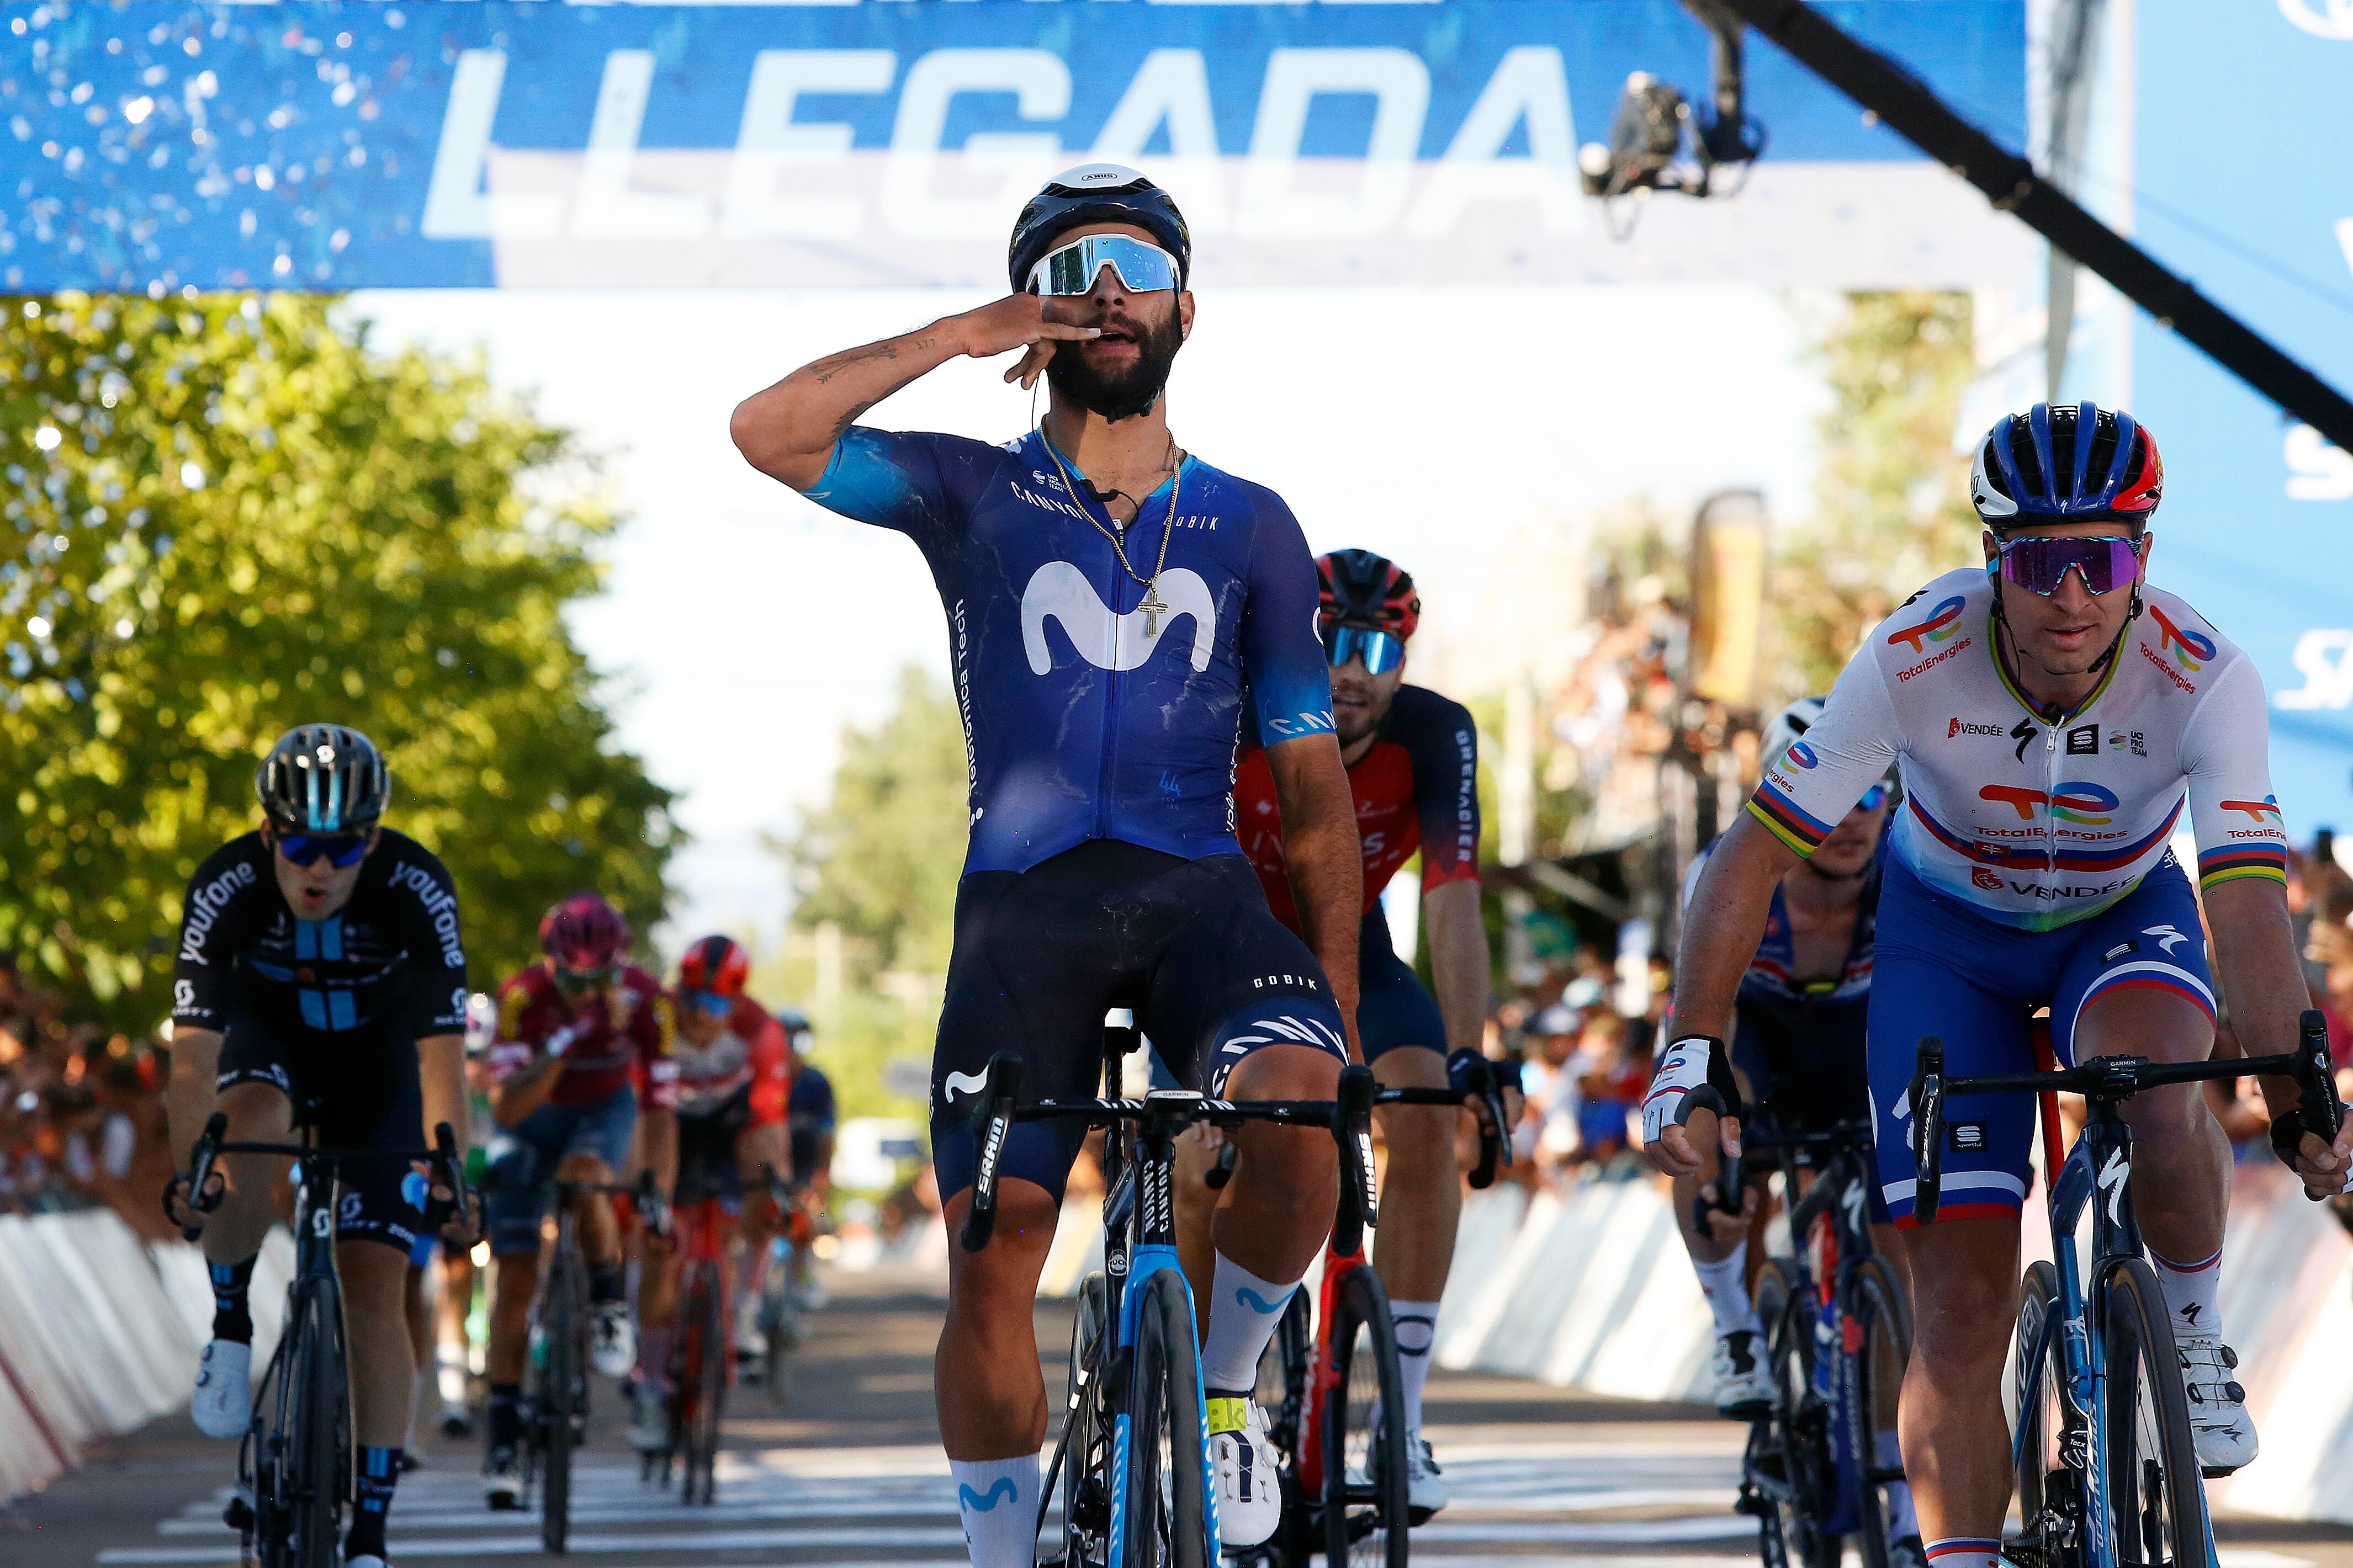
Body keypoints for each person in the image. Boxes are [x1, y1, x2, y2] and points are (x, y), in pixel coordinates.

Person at [730, 162, 1361, 1561]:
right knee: (990, 1246)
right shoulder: (967, 485)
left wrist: (1340, 1004)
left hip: (1200, 888)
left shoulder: (1252, 520)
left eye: (1133, 269)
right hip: (1026, 907)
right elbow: (766, 429)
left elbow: (1310, 786)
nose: (1106, 298)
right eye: (1072, 274)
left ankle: (1219, 1389)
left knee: (1303, 1104)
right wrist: (962, 335)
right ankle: (1001, 1551)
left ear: (1186, 305)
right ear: (1039, 308)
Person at [1649, 403, 2353, 1568]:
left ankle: (2187, 1336)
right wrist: (1690, 1050)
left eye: (2102, 558)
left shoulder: (2205, 674)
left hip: (2120, 919)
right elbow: (1753, 851)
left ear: (2142, 561)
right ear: (1992, 561)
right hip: (1946, 947)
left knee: (2163, 1086)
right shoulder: (1910, 656)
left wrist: (2293, 1086)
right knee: (1957, 1316)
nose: (2070, 594)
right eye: (2037, 560)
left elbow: (2240, 893)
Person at [1216, 546, 1491, 1517]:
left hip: (1356, 950)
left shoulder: (1434, 735)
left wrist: (1473, 1052)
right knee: (1210, 1145)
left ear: (1404, 662)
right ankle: (1215, 1404)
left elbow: (1454, 901)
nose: (1351, 668)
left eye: (1378, 647)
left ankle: (1403, 1420)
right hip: (1225, 949)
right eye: (1330, 638)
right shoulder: (1231, 711)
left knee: (1430, 1113)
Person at [163, 724, 474, 1568]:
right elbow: (192, 1057)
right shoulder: (226, 884)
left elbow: (444, 1056)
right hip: (271, 1051)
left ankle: (370, 1529)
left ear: (374, 838)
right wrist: (192, 1168)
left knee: (376, 1288)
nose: (321, 868)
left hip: (381, 1070)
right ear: (269, 833)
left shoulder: (417, 886)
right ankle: (230, 1326)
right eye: (299, 843)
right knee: (242, 1132)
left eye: (344, 847)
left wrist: (455, 1170)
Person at [1667, 698, 1919, 1562]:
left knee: (1889, 1240)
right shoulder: (1730, 871)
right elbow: (1705, 1020)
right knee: (1705, 1114)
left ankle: (1891, 1460)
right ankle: (1736, 1322)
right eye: (1831, 798)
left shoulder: (1907, 864)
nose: (1849, 821)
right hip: (1758, 1039)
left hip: (1862, 1044)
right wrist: (1727, 1149)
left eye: (1870, 797)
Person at [478, 892, 678, 1509]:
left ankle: (607, 1302)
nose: (587, 990)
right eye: (572, 979)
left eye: (600, 979)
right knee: (512, 1284)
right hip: (532, 1116)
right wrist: (565, 1042)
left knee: (588, 1176)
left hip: (603, 1110)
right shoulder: (521, 1000)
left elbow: (661, 1114)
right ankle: (504, 1442)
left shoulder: (648, 1002)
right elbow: (507, 1107)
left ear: (620, 968)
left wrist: (658, 1200)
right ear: (549, 966)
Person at [628, 934, 791, 1452]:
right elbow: (637, 1113)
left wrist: (774, 1189)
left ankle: (744, 1309)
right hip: (668, 1122)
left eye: (717, 1004)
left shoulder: (758, 1030)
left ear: (737, 1003)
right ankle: (651, 1384)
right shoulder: (659, 1021)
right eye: (693, 1000)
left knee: (770, 1184)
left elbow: (769, 1119)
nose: (702, 1016)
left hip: (730, 1128)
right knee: (660, 1241)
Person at [779, 1008, 836, 1309]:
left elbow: (827, 1136)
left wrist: (821, 1180)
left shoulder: (817, 1084)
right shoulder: (761, 1077)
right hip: (770, 1159)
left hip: (804, 1160)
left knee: (805, 1219)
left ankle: (803, 1272)